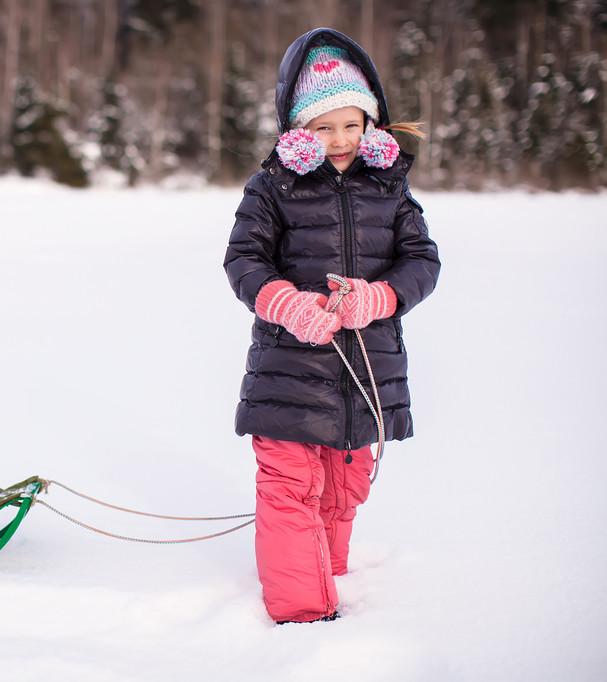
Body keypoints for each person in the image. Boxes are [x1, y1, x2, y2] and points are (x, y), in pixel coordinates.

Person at [222, 27, 440, 625]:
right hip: (290, 368)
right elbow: (243, 259)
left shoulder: (389, 187)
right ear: (298, 129)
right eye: (323, 127)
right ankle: (303, 615)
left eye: (352, 124)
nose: (340, 140)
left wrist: (380, 297)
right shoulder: (273, 187)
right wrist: (284, 301)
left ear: (371, 121)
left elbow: (423, 261)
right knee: (290, 488)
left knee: (345, 486)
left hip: (366, 368)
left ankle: (329, 566)